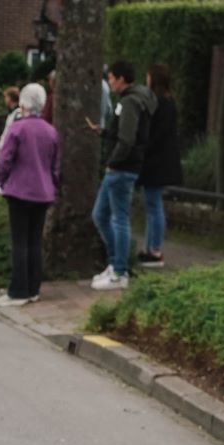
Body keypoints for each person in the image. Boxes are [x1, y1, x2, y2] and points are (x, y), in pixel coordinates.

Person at [89, 60, 155, 290]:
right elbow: (125, 134)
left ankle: (119, 271)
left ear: (121, 79)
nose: (109, 81)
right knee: (100, 215)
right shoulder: (134, 100)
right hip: (125, 167)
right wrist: (105, 132)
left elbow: (127, 140)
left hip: (122, 168)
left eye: (111, 78)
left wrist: (113, 163)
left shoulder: (129, 102)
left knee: (118, 219)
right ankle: (115, 263)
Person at [0, 83, 59, 308]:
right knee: (34, 241)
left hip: (19, 191)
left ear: (22, 104)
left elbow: (5, 160)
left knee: (19, 241)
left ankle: (18, 290)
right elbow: (55, 166)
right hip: (43, 193)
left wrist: (2, 182)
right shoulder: (51, 131)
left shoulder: (17, 128)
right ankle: (33, 288)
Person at [137, 64, 182, 270]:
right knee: (152, 205)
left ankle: (155, 249)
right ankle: (149, 248)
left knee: (154, 206)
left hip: (155, 163)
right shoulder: (169, 103)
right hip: (161, 162)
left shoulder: (160, 104)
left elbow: (154, 135)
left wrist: (142, 150)